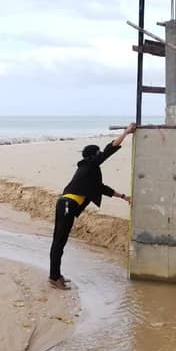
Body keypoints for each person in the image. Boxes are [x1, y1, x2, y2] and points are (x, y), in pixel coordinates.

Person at [49, 123, 136, 289]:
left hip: (65, 204)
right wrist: (126, 133)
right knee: (59, 242)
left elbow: (102, 189)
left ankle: (55, 274)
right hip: (67, 205)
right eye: (97, 153)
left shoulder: (88, 171)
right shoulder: (89, 165)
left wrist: (124, 197)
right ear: (92, 156)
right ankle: (54, 277)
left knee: (59, 241)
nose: (99, 155)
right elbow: (108, 151)